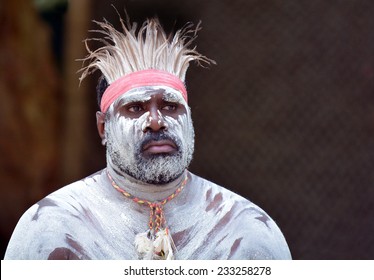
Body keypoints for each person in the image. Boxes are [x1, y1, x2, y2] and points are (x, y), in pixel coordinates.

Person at [4, 15, 291, 260]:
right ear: (104, 127)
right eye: (136, 108)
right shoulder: (52, 229)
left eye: (170, 106)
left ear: (189, 119)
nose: (156, 122)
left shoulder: (246, 231)